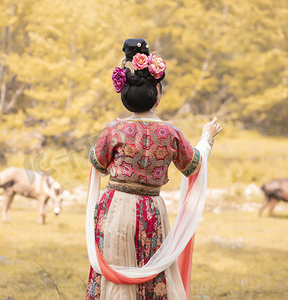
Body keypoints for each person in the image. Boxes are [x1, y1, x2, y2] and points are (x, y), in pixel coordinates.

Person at [85, 39, 222, 300]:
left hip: (113, 206)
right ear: (157, 95)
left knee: (113, 266)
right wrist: (206, 137)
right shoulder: (170, 133)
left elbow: (97, 163)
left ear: (124, 96)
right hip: (150, 211)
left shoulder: (114, 129)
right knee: (149, 272)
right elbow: (194, 165)